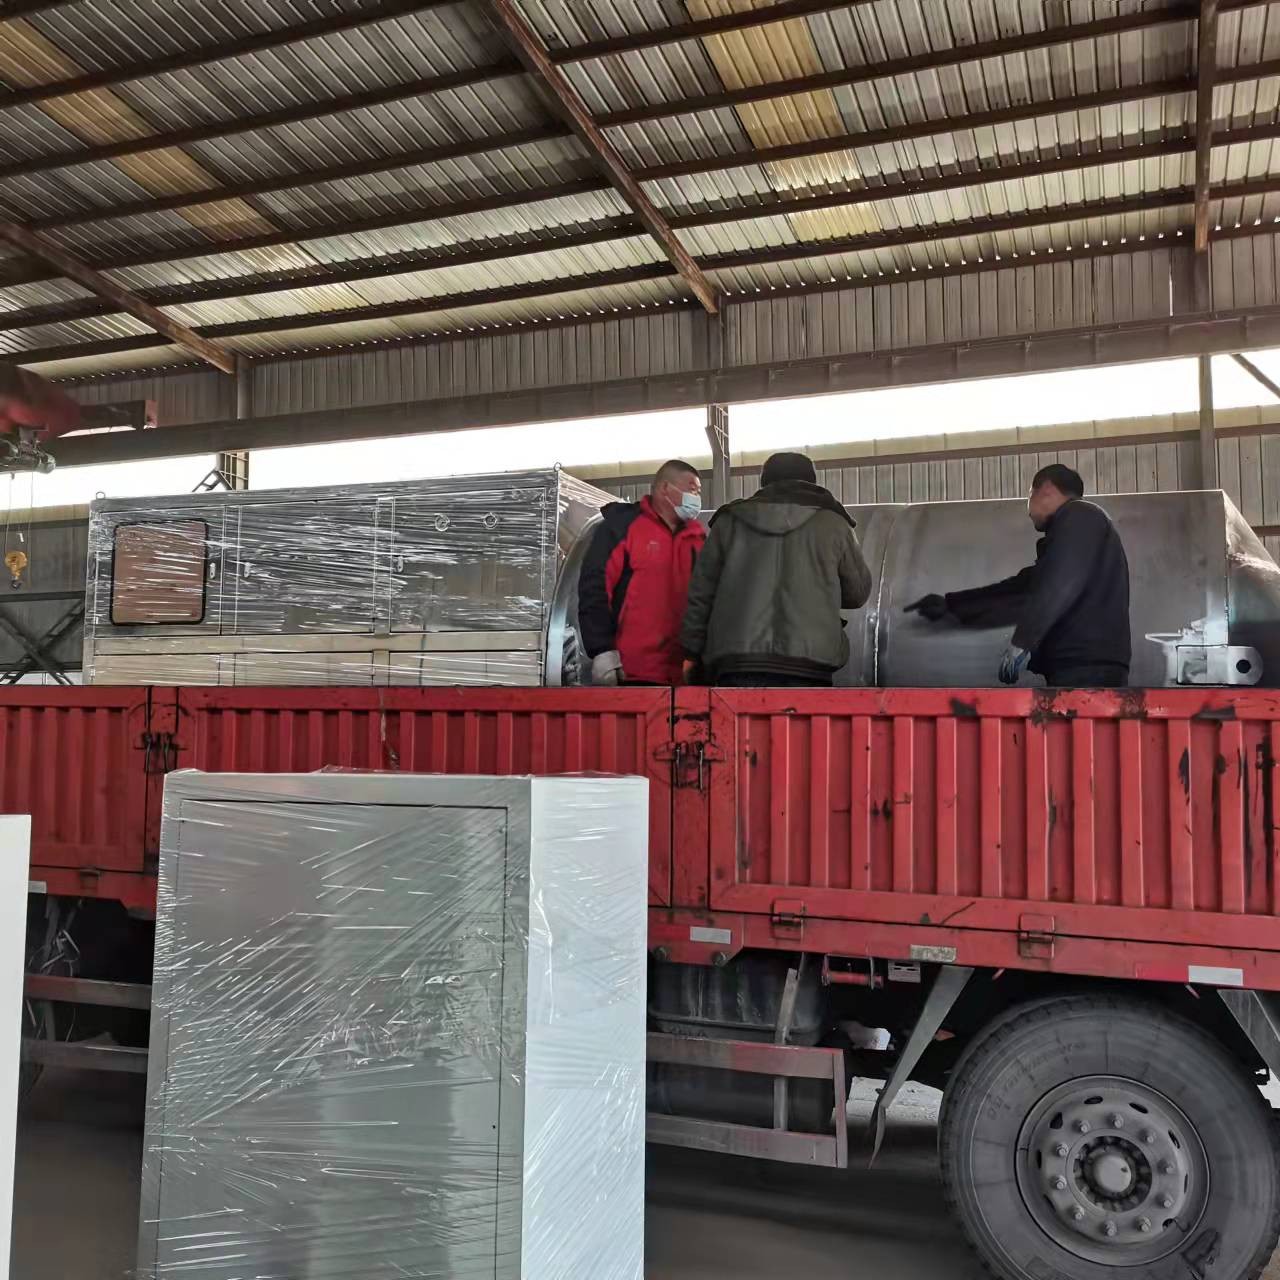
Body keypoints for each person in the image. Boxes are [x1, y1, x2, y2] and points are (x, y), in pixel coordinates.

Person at [904, 463, 1131, 687]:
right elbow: (1023, 588)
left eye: (1030, 495)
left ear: (1046, 490)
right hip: (1080, 664)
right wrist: (951, 604)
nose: (1029, 510)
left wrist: (1023, 641)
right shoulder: (1077, 539)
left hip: (1085, 668)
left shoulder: (1079, 514)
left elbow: (1059, 583)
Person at [680, 451, 871, 687]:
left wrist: (691, 653)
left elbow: (701, 595)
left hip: (737, 663)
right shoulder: (834, 524)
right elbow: (857, 593)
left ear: (764, 482)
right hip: (810, 665)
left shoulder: (729, 521)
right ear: (812, 482)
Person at [578, 459, 707, 685]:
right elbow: (595, 586)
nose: (696, 498)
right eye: (691, 490)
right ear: (665, 488)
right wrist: (602, 649)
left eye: (698, 492)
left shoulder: (697, 538)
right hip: (631, 672)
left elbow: (706, 598)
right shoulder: (622, 528)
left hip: (684, 675)